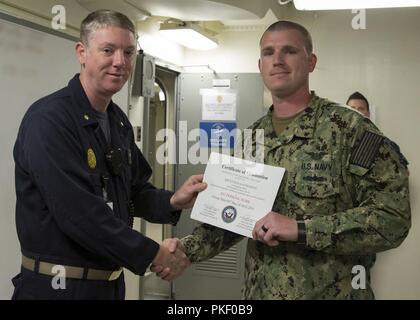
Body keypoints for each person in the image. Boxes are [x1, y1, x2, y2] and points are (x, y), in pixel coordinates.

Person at [154, 20, 411, 299]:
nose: (277, 60)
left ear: (310, 62)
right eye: (268, 52)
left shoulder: (351, 130)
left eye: (289, 51)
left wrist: (301, 229)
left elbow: (392, 219)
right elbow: (233, 217)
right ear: (260, 65)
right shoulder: (251, 137)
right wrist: (186, 250)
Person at [12, 10, 206, 300]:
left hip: (108, 286)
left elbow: (134, 190)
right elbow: (80, 215)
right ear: (82, 52)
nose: (120, 62)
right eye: (108, 50)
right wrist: (154, 253)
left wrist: (172, 200)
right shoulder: (50, 121)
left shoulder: (116, 120)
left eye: (128, 52)